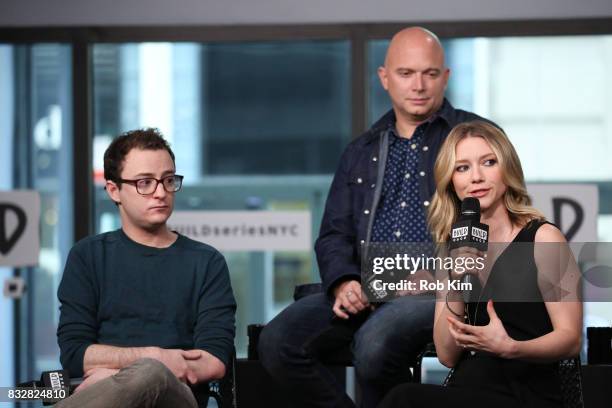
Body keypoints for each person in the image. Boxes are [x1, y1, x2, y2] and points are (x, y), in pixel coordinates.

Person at [258, 27, 496, 408]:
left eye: (429, 74)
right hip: (368, 286)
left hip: (439, 289)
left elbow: (500, 225)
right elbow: (333, 233)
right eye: (406, 74)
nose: (418, 85)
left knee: (374, 343)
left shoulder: (475, 139)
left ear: (445, 77)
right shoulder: (361, 149)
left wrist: (440, 274)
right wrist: (343, 281)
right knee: (276, 342)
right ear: (384, 78)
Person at [378, 121, 583, 408]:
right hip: (467, 388)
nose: (476, 177)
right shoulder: (452, 248)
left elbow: (570, 339)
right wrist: (454, 284)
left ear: (506, 169)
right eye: (462, 167)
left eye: (488, 162)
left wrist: (511, 348)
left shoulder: (544, 238)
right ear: (451, 181)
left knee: (404, 399)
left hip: (525, 393)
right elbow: (447, 355)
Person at [56, 128, 236, 408]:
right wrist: (155, 357)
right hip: (109, 397)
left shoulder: (206, 262)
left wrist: (134, 367)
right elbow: (75, 354)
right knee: (15, 391)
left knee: (151, 374)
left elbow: (213, 361)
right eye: (145, 183)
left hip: (176, 398)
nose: (160, 192)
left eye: (167, 180)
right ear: (114, 190)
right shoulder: (87, 257)